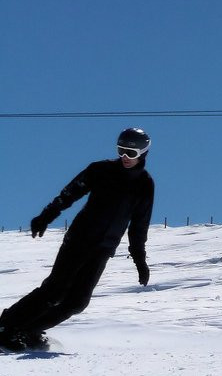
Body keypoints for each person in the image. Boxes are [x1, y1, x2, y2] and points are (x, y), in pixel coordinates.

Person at [0, 128, 154, 351]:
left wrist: (139, 259)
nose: (125, 157)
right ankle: (6, 327)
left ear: (143, 153)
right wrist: (47, 215)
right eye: (121, 150)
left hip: (103, 248)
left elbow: (139, 225)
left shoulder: (145, 185)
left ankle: (28, 330)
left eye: (130, 153)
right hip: (80, 239)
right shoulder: (100, 170)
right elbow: (69, 194)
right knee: (55, 291)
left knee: (77, 302)